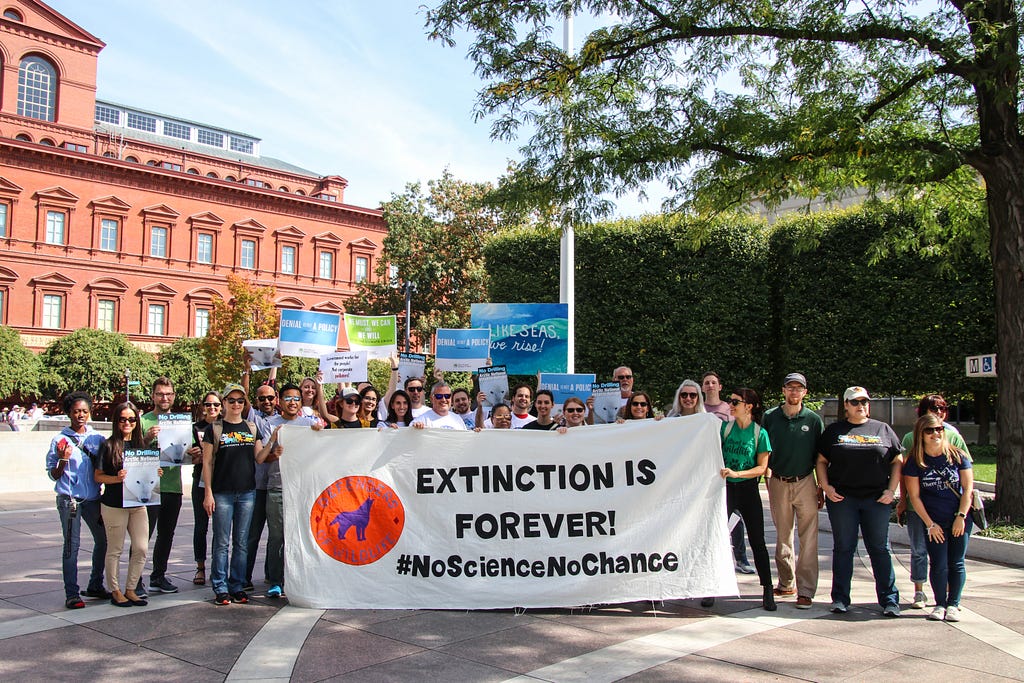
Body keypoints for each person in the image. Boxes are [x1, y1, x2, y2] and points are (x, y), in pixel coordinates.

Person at [816, 386, 903, 617]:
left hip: (876, 499)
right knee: (844, 548)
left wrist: (891, 490)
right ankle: (840, 598)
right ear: (845, 405)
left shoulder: (882, 429)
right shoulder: (835, 431)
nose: (860, 406)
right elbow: (822, 461)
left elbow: (897, 461)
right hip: (844, 499)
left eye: (864, 401)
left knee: (880, 549)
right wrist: (826, 486)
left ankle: (889, 600)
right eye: (855, 402)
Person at [202, 383, 277, 605]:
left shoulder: (251, 427)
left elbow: (259, 458)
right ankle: (220, 586)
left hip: (247, 493)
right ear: (224, 402)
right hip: (222, 492)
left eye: (240, 401)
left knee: (242, 542)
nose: (236, 404)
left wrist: (272, 442)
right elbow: (207, 463)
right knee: (222, 542)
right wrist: (208, 492)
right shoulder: (214, 429)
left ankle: (237, 585)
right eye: (231, 400)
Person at [897, 394, 971, 611]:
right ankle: (921, 591)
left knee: (954, 561)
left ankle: (951, 599)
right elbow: (906, 478)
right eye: (933, 409)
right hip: (922, 509)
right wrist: (904, 501)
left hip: (953, 512)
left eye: (941, 410)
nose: (938, 416)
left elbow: (967, 484)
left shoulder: (954, 440)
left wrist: (961, 515)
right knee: (920, 551)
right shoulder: (911, 441)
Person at [761, 372, 824, 609]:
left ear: (805, 392)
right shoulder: (770, 417)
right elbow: (764, 449)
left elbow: (820, 456)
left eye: (799, 388)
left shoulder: (813, 420)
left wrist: (820, 486)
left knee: (808, 537)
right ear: (784, 390)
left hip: (805, 480)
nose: (794, 392)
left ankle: (806, 589)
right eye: (790, 388)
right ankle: (787, 582)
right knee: (782, 536)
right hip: (778, 480)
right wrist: (767, 478)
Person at [45, 391, 109, 609]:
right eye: (76, 411)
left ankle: (95, 584)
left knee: (104, 540)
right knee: (72, 546)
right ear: (68, 414)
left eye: (84, 411)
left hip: (93, 499)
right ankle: (72, 593)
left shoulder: (97, 439)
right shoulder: (59, 439)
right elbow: (53, 473)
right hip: (69, 500)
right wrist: (63, 460)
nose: (80, 415)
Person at [716, 388, 776, 611]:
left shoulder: (759, 433)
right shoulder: (725, 428)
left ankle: (767, 588)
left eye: (735, 402)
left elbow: (762, 467)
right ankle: (713, 587)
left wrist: (737, 473)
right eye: (731, 401)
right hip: (727, 491)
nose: (730, 405)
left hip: (748, 490)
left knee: (757, 541)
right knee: (720, 538)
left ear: (749, 406)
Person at [262, 383, 321, 598]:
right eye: (288, 398)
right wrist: (274, 453)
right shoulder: (271, 424)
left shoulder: (309, 423)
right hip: (277, 487)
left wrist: (319, 432)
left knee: (302, 534)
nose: (293, 402)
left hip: (302, 488)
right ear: (280, 401)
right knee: (277, 536)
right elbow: (263, 458)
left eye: (296, 398)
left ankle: (299, 577)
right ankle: (276, 580)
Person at [93, 402, 153, 607]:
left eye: (131, 419)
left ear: (137, 421)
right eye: (122, 419)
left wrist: (155, 474)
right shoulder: (108, 445)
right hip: (114, 504)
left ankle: (131, 588)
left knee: (141, 547)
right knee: (115, 549)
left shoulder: (141, 447)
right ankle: (116, 590)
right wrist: (117, 478)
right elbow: (98, 476)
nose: (127, 423)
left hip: (137, 504)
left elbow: (147, 474)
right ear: (116, 421)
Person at [702, 371, 754, 574]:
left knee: (734, 514)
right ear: (703, 387)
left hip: (727, 467)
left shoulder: (728, 408)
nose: (710, 385)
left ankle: (740, 557)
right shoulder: (699, 408)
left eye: (714, 382)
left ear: (719, 386)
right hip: (705, 468)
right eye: (706, 383)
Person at [139, 377, 182, 596]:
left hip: (173, 485)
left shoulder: (180, 422)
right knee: (142, 536)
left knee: (166, 534)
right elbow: (132, 453)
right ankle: (135, 579)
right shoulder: (144, 421)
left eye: (168, 394)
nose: (164, 398)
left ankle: (158, 576)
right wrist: (146, 439)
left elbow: (186, 453)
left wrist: (193, 454)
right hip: (148, 486)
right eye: (160, 394)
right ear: (153, 396)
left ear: (173, 396)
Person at [244, 382, 278, 592]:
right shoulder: (253, 419)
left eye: (270, 398)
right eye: (262, 398)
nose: (266, 401)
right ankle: (244, 576)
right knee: (252, 535)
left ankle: (270, 574)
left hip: (276, 486)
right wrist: (246, 372)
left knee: (276, 536)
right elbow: (243, 399)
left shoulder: (284, 423)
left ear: (277, 400)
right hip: (257, 486)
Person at [188, 392, 221, 587]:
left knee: (220, 528)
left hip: (221, 481)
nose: (212, 408)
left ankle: (217, 566)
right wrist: (193, 453)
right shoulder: (195, 428)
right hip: (200, 480)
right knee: (201, 526)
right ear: (203, 407)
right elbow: (187, 454)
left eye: (216, 404)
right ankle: (200, 567)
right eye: (208, 404)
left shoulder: (226, 425)